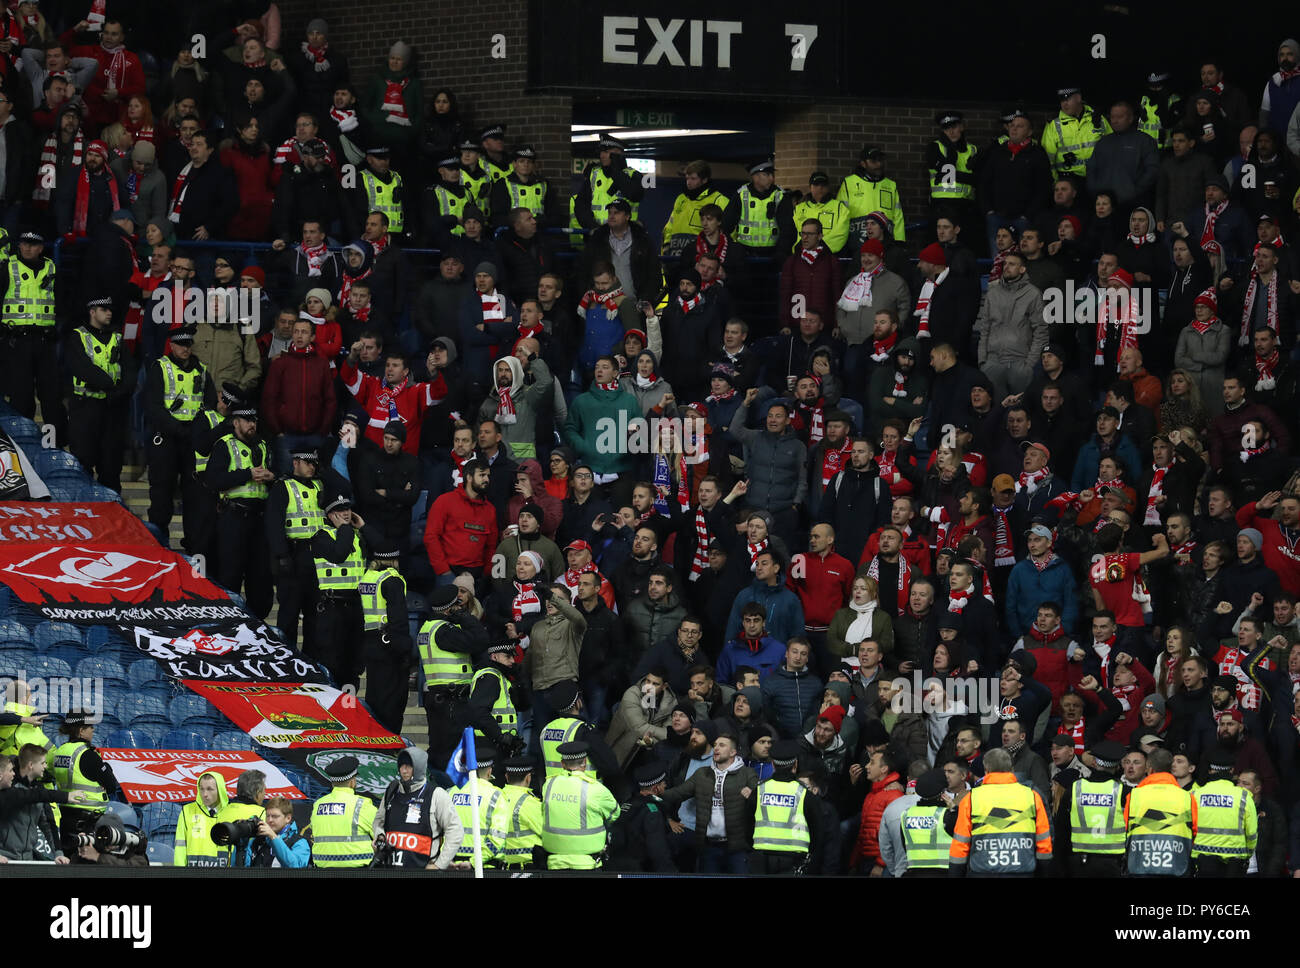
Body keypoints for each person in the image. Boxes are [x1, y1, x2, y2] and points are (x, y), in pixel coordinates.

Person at [206, 398, 275, 619]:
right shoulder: (224, 444)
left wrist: (271, 477)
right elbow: (212, 479)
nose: (252, 425)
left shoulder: (263, 445)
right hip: (233, 516)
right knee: (230, 573)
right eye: (246, 420)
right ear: (235, 422)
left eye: (254, 420)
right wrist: (247, 474)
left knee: (260, 576)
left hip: (259, 518)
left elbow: (276, 477)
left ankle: (257, 622)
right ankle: (230, 621)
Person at [659, 729, 757, 873]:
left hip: (737, 848)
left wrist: (752, 795)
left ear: (733, 752)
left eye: (722, 745)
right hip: (709, 847)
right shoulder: (702, 774)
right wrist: (655, 795)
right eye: (716, 744)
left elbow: (761, 798)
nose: (716, 747)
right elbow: (678, 793)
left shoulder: (747, 774)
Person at [947, 746, 1052, 876]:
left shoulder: (971, 798)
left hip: (982, 872)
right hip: (1022, 871)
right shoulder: (1032, 795)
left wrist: (956, 873)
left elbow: (960, 844)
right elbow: (1044, 841)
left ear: (986, 770)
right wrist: (1044, 871)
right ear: (1012, 769)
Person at [63, 295, 132, 492]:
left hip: (112, 408)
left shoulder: (118, 338)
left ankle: (111, 510)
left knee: (111, 464)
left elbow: (129, 370)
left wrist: (121, 391)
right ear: (92, 312)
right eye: (104, 309)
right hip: (85, 407)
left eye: (110, 309)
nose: (109, 312)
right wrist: (112, 386)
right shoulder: (78, 336)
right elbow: (82, 368)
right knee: (83, 460)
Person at [417, 586, 490, 765]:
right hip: (451, 700)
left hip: (438, 696)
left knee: (439, 747)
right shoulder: (444, 631)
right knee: (449, 752)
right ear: (450, 608)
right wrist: (466, 618)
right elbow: (481, 640)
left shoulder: (427, 627)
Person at [1, 230, 62, 442]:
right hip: (16, 340)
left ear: (41, 248)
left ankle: (54, 445)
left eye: (32, 244)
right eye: (23, 243)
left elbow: (62, 301)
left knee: (51, 397)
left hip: (45, 341)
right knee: (21, 396)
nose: (27, 248)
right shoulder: (7, 267)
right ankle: (22, 443)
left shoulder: (52, 268)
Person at [373, 748, 463, 869]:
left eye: (409, 766)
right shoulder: (391, 791)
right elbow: (379, 822)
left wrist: (439, 865)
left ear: (419, 767)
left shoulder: (436, 794)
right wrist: (380, 836)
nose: (404, 770)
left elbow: (455, 830)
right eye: (401, 766)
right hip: (390, 869)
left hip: (422, 871)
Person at [540, 741, 620, 869]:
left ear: (562, 764)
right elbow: (615, 815)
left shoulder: (548, 785)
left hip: (554, 864)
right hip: (588, 865)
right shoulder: (597, 789)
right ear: (585, 762)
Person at [358, 543, 411, 735]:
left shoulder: (367, 577)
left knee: (375, 697)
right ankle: (389, 743)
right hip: (389, 644)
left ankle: (374, 739)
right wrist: (404, 650)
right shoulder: (391, 580)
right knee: (392, 701)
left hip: (370, 642)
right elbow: (399, 618)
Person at [1124, 748, 1197, 877]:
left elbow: (1123, 829)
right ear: (1171, 767)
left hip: (1139, 867)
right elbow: (1195, 832)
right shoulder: (1187, 797)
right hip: (1177, 866)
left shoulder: (1134, 795)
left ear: (1149, 767)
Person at [1064, 739, 1127, 877]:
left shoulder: (1075, 788)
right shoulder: (1123, 791)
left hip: (1079, 863)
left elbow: (1062, 829)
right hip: (1112, 864)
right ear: (1117, 767)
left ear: (1094, 763)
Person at [1191, 753, 1258, 877]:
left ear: (1210, 770)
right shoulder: (1244, 797)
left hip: (1202, 862)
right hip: (1234, 864)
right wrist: (1248, 853)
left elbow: (1187, 829)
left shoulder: (1195, 795)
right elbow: (1252, 833)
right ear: (1232, 770)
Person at [607, 761, 677, 873]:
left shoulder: (627, 804)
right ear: (656, 788)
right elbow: (658, 850)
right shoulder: (652, 811)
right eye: (663, 784)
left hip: (615, 866)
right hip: (637, 870)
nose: (665, 786)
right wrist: (671, 873)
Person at [309, 755, 377, 868]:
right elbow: (381, 836)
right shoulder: (362, 805)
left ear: (332, 783)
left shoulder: (318, 805)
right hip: (357, 872)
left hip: (322, 871)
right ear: (352, 782)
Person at [1042, 86, 1112, 181]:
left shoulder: (1098, 118)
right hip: (1068, 181)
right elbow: (1047, 159)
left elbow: (1113, 148)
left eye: (1068, 99)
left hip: (1098, 178)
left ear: (1078, 98)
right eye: (1062, 100)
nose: (1064, 104)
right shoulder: (1053, 125)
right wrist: (1056, 182)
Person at [489, 756, 544, 870]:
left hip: (501, 869)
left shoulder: (495, 798)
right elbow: (547, 834)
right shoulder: (530, 803)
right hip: (528, 868)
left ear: (506, 777)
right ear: (528, 778)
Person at [247, 797, 311, 869]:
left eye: (275, 816)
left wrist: (274, 837)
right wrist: (243, 841)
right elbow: (241, 869)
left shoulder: (299, 842)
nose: (270, 820)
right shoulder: (257, 841)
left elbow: (295, 868)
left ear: (288, 818)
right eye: (267, 816)